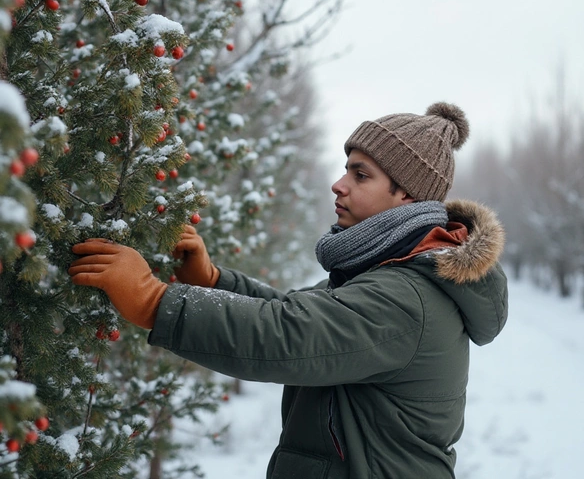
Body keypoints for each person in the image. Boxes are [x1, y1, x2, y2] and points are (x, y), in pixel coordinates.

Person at [69, 102, 508, 479]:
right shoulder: (386, 274)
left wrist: (153, 301)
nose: (340, 184)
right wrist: (216, 282)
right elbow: (299, 310)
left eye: (361, 174)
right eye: (345, 169)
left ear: (407, 199)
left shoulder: (406, 299)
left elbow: (292, 335)